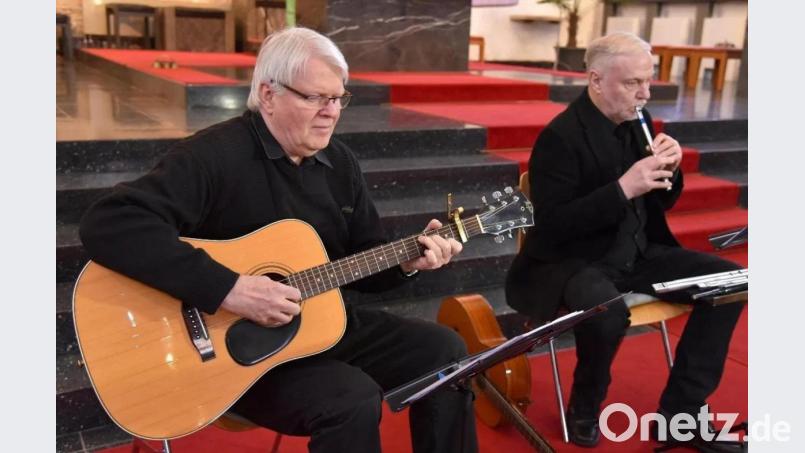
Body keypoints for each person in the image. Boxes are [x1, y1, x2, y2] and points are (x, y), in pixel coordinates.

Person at [80, 27, 478, 453]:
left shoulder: (339, 162)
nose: (331, 112)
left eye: (338, 98)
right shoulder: (214, 156)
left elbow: (362, 261)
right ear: (268, 95)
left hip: (323, 327)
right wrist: (229, 289)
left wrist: (406, 263)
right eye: (315, 98)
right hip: (235, 356)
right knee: (351, 398)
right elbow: (109, 223)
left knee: (446, 351)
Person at [505, 32, 745, 451]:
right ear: (596, 80)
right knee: (606, 313)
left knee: (731, 283)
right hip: (573, 260)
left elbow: (662, 201)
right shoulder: (559, 138)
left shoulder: (640, 121)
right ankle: (585, 405)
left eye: (648, 82)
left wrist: (671, 168)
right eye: (633, 83)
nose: (644, 93)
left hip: (637, 252)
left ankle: (681, 415)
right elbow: (552, 225)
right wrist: (622, 188)